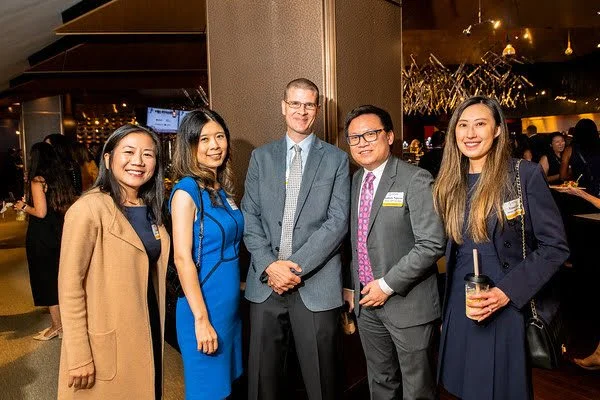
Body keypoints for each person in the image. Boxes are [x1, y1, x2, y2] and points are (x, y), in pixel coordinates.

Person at [433, 96, 569, 400]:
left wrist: (506, 292)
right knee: (462, 387)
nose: (470, 134)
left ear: (497, 130)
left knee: (500, 388)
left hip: (506, 300)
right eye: (463, 125)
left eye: (480, 124)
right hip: (460, 301)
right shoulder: (449, 181)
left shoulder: (524, 175)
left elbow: (555, 247)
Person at [241, 78, 350, 400]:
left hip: (316, 284)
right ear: (283, 107)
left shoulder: (337, 159)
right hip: (265, 284)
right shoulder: (261, 157)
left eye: (309, 105)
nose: (302, 111)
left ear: (317, 109)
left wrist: (292, 268)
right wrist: (270, 266)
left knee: (322, 385)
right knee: (262, 384)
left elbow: (337, 222)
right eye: (295, 103)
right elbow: (250, 216)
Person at [57, 124, 169, 399]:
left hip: (147, 326)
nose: (138, 161)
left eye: (147, 154)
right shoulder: (88, 209)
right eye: (128, 152)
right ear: (108, 159)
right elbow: (69, 286)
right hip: (108, 336)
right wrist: (78, 354)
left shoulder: (150, 207)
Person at [343, 105, 446, 400]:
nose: (362, 143)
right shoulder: (355, 181)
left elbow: (432, 243)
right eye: (354, 137)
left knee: (418, 389)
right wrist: (352, 285)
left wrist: (386, 285)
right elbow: (356, 241)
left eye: (370, 134)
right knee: (380, 383)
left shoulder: (415, 179)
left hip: (408, 304)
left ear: (389, 136)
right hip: (366, 305)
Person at [169, 109, 243, 399]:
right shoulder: (186, 192)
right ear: (189, 145)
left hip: (229, 309)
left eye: (220, 137)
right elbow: (182, 258)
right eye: (204, 139)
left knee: (226, 388)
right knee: (207, 391)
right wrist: (201, 319)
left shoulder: (219, 188)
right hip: (203, 308)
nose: (215, 145)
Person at [14, 142, 75, 340]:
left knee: (46, 280)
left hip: (41, 235)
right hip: (58, 232)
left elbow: (40, 212)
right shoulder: (60, 178)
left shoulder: (37, 180)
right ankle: (63, 324)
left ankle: (57, 326)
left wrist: (23, 207)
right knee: (58, 278)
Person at [560, 118, 600, 196]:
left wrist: (573, 172)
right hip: (597, 192)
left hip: (579, 192)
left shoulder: (569, 150)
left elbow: (562, 176)